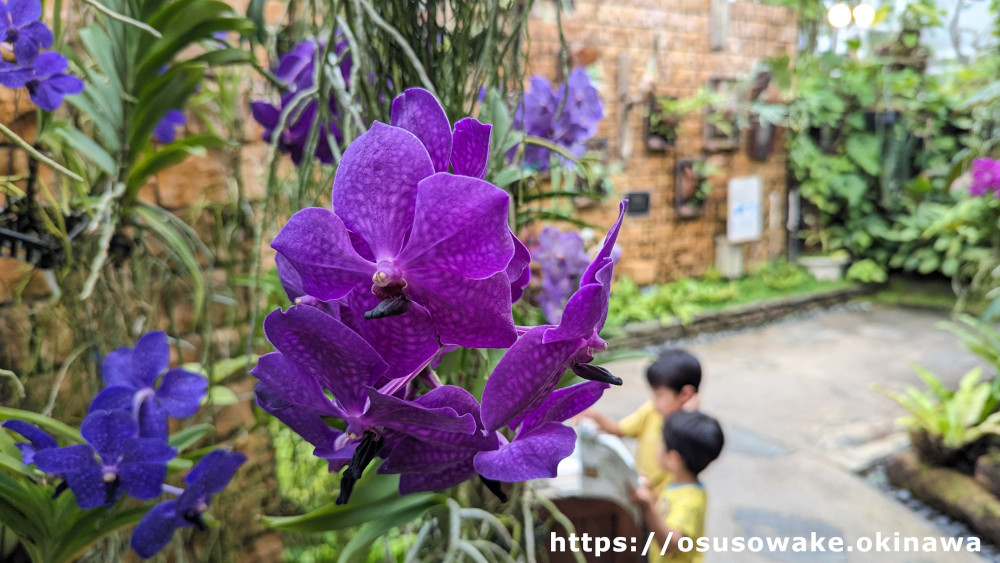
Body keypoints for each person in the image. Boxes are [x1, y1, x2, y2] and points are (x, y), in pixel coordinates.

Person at [583, 348, 701, 490]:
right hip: (641, 489)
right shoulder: (652, 410)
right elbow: (619, 429)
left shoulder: (691, 433)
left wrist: (687, 416)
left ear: (686, 394)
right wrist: (593, 415)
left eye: (659, 394)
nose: (654, 400)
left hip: (663, 503)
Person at [629, 411, 724, 563]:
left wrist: (648, 508)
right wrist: (652, 493)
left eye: (662, 442)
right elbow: (667, 511)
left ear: (673, 459)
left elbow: (671, 544)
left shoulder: (690, 501)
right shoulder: (682, 485)